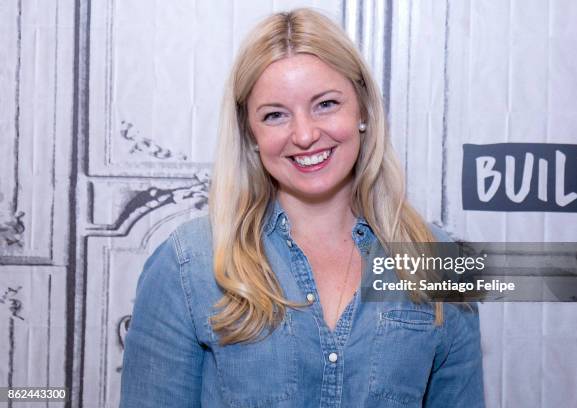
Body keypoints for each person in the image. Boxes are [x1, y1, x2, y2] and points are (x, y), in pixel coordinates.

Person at [120, 8, 484, 408]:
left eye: (326, 104)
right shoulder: (188, 263)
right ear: (251, 133)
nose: (306, 134)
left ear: (361, 109)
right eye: (275, 115)